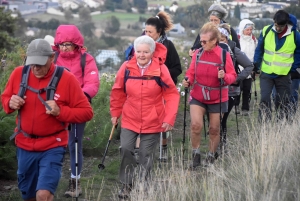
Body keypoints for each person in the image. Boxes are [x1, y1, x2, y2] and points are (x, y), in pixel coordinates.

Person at [1, 39, 93, 201]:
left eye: (40, 64)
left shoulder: (67, 79)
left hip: (53, 145)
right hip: (24, 144)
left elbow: (86, 112)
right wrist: (10, 102)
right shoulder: (19, 74)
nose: (35, 68)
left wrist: (60, 112)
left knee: (43, 195)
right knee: (28, 195)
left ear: (52, 57)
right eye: (32, 64)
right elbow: (6, 98)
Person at [110, 35, 179, 199]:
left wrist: (169, 118)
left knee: (145, 154)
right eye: (139, 51)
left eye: (146, 52)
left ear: (152, 52)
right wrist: (115, 113)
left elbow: (172, 95)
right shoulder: (126, 67)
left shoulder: (161, 69)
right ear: (134, 52)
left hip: (153, 118)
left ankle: (143, 186)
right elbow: (118, 91)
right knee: (126, 149)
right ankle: (127, 185)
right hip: (130, 116)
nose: (141, 55)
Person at [53, 24, 100, 197]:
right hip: (54, 106)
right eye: (61, 44)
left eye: (68, 44)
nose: (64, 47)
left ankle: (75, 181)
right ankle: (50, 179)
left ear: (76, 43)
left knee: (75, 144)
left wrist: (83, 97)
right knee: (53, 142)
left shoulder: (86, 59)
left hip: (77, 107)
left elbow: (92, 82)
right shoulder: (53, 58)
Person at [182, 22, 236, 168]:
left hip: (218, 97)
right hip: (199, 95)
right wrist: (187, 80)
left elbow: (232, 76)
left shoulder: (224, 55)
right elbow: (191, 73)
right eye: (201, 40)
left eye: (205, 41)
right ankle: (196, 155)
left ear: (214, 41)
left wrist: (224, 76)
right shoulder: (198, 53)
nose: (202, 43)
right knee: (195, 125)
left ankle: (211, 156)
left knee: (214, 129)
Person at [143, 11, 182, 162]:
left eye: (150, 32)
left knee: (162, 120)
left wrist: (160, 74)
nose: (147, 34)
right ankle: (143, 151)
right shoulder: (142, 45)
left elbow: (177, 68)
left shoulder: (168, 46)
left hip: (163, 89)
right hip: (144, 88)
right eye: (145, 31)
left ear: (159, 32)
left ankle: (163, 150)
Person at [253, 10, 300, 121]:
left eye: (281, 26)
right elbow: (259, 50)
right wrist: (256, 65)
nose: (278, 28)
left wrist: (295, 69)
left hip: (284, 75)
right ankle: (265, 124)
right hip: (266, 73)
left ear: (286, 24)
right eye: (276, 25)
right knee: (264, 99)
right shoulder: (266, 30)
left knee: (282, 101)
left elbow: (298, 53)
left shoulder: (295, 35)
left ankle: (281, 125)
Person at [218, 23, 254, 149]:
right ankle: (218, 142)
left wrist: (236, 78)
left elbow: (250, 66)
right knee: (216, 118)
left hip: (231, 91)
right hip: (215, 90)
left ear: (227, 38)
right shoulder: (212, 50)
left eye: (222, 39)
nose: (220, 43)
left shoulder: (234, 50)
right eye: (217, 39)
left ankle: (222, 144)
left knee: (222, 118)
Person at [235, 19, 257, 116]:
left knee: (247, 89)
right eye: (247, 30)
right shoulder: (237, 39)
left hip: (249, 69)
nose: (249, 32)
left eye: (250, 29)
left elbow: (255, 53)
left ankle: (245, 108)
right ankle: (236, 106)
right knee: (238, 88)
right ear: (242, 29)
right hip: (239, 68)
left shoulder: (254, 40)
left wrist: (254, 68)